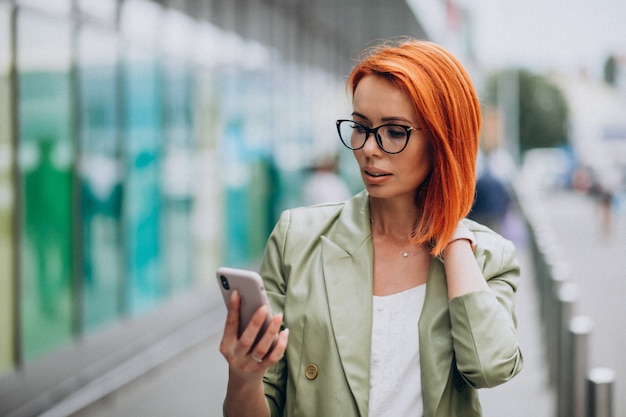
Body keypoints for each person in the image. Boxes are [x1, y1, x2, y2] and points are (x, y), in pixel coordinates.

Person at [219, 38, 523, 417]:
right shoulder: (298, 239)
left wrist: (453, 233)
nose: (368, 148)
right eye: (360, 126)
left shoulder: (489, 256)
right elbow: (263, 401)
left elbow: (491, 366)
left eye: (395, 131)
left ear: (442, 142)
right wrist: (244, 376)